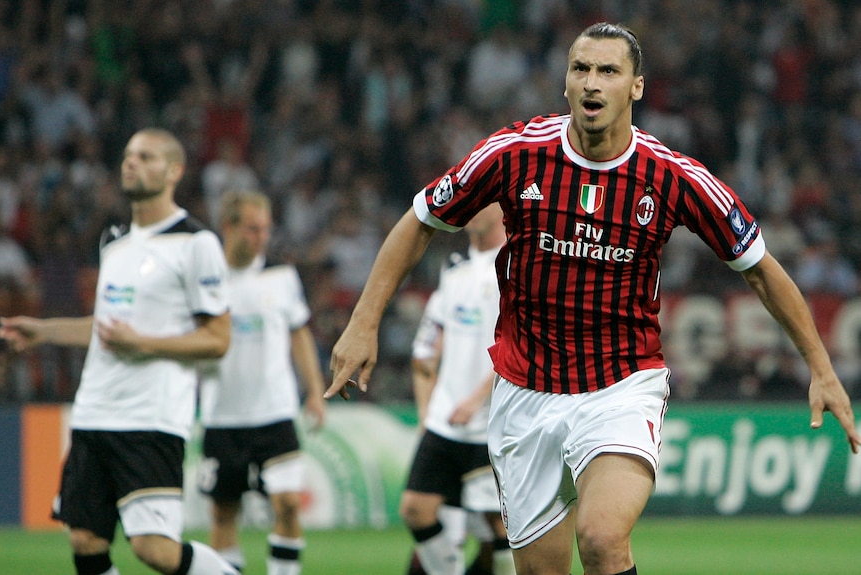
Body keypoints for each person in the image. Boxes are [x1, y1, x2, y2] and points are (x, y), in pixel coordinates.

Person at [324, 22, 861, 575]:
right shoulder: (515, 153)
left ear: (637, 87)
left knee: (602, 540)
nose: (592, 83)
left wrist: (820, 367)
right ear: (565, 82)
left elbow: (762, 272)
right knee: (540, 570)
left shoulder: (673, 176)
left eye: (608, 71)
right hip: (524, 392)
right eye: (581, 69)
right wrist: (364, 322)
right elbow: (420, 221)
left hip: (620, 386)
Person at [0, 128, 240, 575]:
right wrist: (45, 331)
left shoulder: (196, 243)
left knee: (155, 550)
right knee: (85, 541)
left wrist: (143, 344)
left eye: (146, 156)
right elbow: (107, 328)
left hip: (148, 418)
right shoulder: (115, 243)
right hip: (93, 414)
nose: (131, 162)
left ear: (174, 171)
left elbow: (217, 339)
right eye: (128, 155)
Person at [197, 189, 327, 575]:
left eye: (265, 230)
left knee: (287, 503)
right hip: (223, 415)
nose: (260, 238)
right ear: (228, 228)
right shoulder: (206, 280)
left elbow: (300, 334)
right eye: (252, 230)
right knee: (224, 512)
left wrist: (315, 392)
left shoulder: (281, 277)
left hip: (275, 410)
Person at [400, 203, 514, 575]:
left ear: (503, 210)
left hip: (492, 423)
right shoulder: (453, 275)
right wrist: (426, 412)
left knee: (500, 525)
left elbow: (519, 347)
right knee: (416, 509)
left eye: (485, 202)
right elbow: (424, 354)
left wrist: (477, 399)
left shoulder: (514, 269)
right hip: (445, 422)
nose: (474, 208)